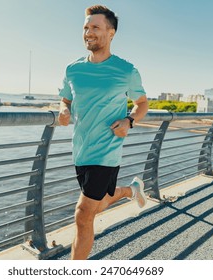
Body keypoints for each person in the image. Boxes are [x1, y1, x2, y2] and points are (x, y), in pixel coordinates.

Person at [58, 5, 149, 260]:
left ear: (111, 33)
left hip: (107, 151)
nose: (88, 32)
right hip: (81, 150)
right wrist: (63, 110)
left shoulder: (126, 70)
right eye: (86, 27)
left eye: (95, 27)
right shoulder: (72, 69)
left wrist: (129, 121)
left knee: (83, 214)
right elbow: (64, 99)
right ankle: (131, 190)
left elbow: (142, 104)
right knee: (100, 202)